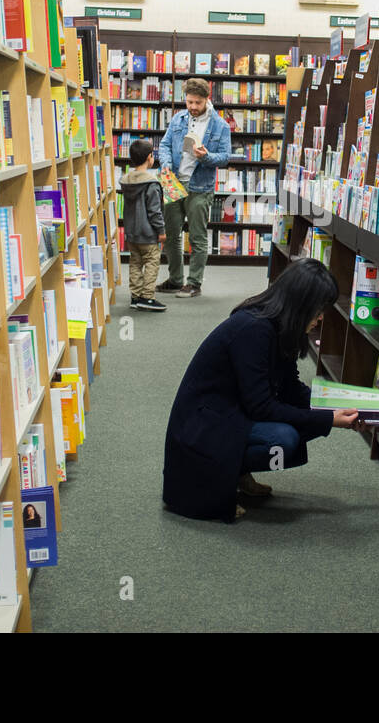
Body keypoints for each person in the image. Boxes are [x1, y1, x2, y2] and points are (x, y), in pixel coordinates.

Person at [162, 258, 361, 523]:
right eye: (318, 310)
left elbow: (290, 389)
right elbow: (262, 406)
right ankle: (220, 478)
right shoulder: (253, 329)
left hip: (231, 413)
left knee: (304, 423)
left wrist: (334, 406)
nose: (321, 317)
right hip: (203, 427)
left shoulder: (282, 326)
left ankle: (236, 471)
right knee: (283, 438)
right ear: (300, 305)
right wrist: (328, 420)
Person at [156, 78, 230, 298]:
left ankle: (194, 283)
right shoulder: (178, 119)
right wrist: (166, 164)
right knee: (171, 235)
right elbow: (165, 145)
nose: (193, 107)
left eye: (197, 102)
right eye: (189, 102)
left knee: (197, 236)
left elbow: (225, 157)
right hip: (173, 181)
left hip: (200, 185)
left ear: (207, 100)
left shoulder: (220, 125)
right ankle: (176, 279)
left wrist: (206, 157)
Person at [118, 138, 167, 312]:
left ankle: (135, 296)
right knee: (152, 262)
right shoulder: (151, 183)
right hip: (148, 233)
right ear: (149, 157)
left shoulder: (126, 180)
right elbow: (155, 211)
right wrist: (161, 231)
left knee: (135, 263)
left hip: (131, 232)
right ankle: (148, 297)